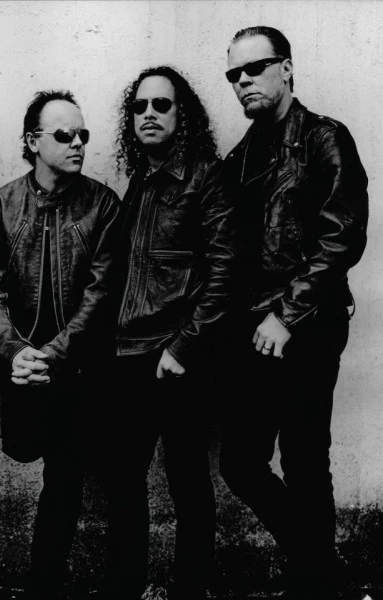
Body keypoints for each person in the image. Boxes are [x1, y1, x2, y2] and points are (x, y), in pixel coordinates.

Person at [219, 26, 369, 599]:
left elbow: (341, 236)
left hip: (308, 322)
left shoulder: (324, 138)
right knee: (240, 461)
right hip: (254, 329)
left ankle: (314, 582)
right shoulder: (242, 156)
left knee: (305, 458)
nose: (243, 81)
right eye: (234, 74)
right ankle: (322, 572)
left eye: (254, 69)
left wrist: (286, 314)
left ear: (286, 68)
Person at [101, 65, 237, 600]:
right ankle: (124, 588)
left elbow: (225, 273)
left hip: (178, 358)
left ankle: (190, 590)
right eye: (139, 106)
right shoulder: (141, 180)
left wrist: (183, 346)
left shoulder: (206, 177)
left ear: (184, 115)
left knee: (187, 481)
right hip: (129, 355)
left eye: (162, 104)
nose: (149, 114)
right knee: (122, 480)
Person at [0, 90, 120, 600]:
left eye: (83, 134)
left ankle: (44, 586)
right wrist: (16, 352)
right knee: (23, 449)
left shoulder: (103, 204)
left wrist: (55, 355)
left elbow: (102, 291)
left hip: (79, 370)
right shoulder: (2, 204)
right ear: (32, 141)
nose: (78, 143)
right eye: (64, 135)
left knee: (66, 479)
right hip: (21, 367)